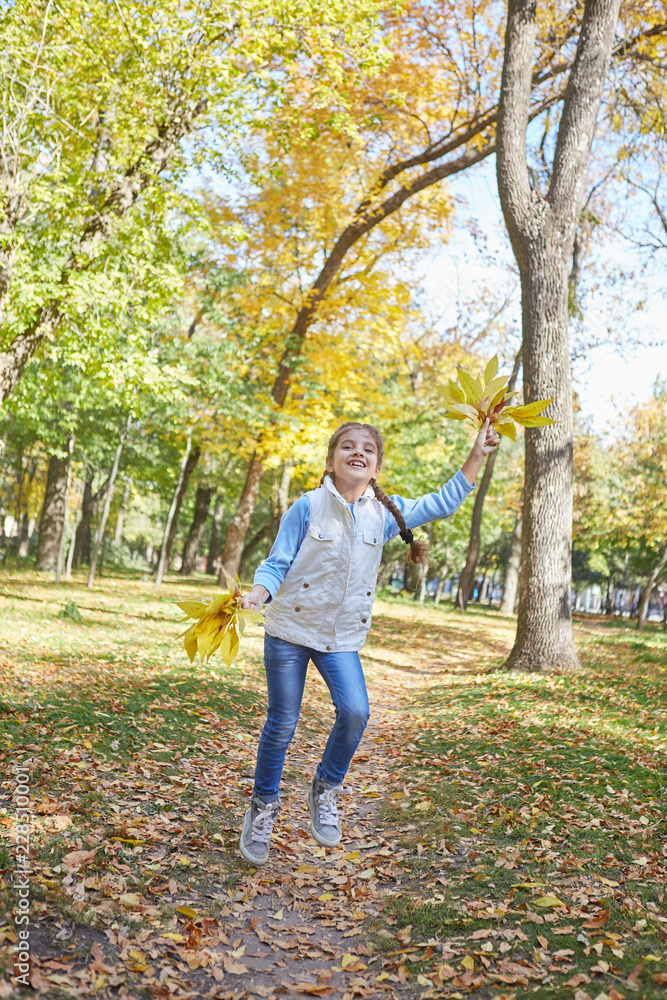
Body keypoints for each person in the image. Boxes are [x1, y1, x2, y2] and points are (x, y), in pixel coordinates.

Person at [239, 417, 500, 865]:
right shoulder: (306, 506)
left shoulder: (386, 513)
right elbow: (276, 562)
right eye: (347, 446)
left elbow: (444, 501)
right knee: (282, 724)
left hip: (340, 637)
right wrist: (260, 592)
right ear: (332, 458)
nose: (357, 453)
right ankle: (263, 808)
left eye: (367, 449)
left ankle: (325, 787)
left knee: (357, 711)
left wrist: (478, 453)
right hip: (289, 631)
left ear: (376, 465)